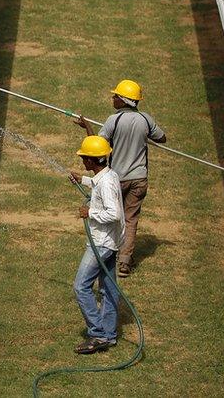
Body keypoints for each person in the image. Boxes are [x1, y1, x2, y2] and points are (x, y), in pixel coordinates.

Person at [74, 79, 166, 277]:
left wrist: (87, 126)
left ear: (124, 100)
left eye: (116, 96)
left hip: (117, 178)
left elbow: (97, 145)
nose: (113, 98)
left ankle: (109, 252)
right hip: (140, 179)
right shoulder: (145, 120)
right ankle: (124, 262)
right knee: (130, 219)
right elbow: (162, 138)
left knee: (113, 215)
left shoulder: (113, 120)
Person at [69, 135, 125, 354]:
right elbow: (98, 185)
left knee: (80, 286)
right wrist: (82, 180)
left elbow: (114, 213)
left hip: (100, 244)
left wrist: (89, 212)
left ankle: (98, 333)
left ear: (92, 160)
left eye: (84, 157)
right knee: (109, 289)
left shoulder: (107, 183)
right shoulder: (107, 175)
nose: (82, 160)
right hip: (110, 243)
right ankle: (109, 336)